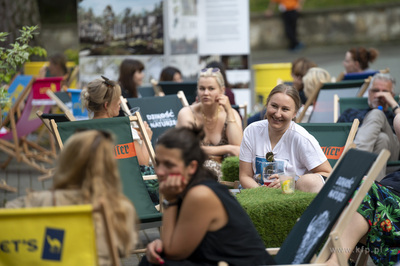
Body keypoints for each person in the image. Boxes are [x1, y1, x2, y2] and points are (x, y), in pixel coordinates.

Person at [139, 127, 275, 265]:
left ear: (192, 167)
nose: (160, 171)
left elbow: (172, 252)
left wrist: (171, 200)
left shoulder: (200, 194)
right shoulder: (192, 187)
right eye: (158, 163)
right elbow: (175, 242)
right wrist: (158, 244)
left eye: (169, 164)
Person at [6, 129, 138, 265]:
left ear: (66, 161)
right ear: (111, 165)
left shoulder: (38, 201)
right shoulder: (121, 209)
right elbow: (125, 249)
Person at [239, 84, 332, 193]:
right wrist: (262, 193)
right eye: (274, 106)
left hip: (291, 198)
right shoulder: (252, 131)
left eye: (285, 109)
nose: (278, 114)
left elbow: (328, 174)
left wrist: (293, 180)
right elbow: (245, 176)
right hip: (258, 196)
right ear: (267, 104)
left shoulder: (302, 138)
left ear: (295, 113)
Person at [176, 67, 243, 180]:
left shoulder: (231, 114)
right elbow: (189, 148)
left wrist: (229, 111)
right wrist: (228, 149)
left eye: (211, 88)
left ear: (222, 91)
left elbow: (238, 147)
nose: (206, 93)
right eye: (202, 88)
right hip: (193, 169)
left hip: (224, 171)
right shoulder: (187, 114)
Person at [326, 171, 400, 266]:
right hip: (382, 194)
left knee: (363, 187)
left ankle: (335, 261)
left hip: (390, 203)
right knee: (352, 184)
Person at [337, 73, 399, 180]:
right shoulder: (351, 112)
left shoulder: (395, 114)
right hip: (376, 157)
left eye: (385, 91)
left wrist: (394, 104)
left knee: (377, 113)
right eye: (375, 90)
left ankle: (354, 165)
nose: (379, 95)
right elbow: (337, 138)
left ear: (392, 95)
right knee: (382, 138)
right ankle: (374, 188)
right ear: (369, 92)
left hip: (392, 155)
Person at [80, 76, 153, 167]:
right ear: (106, 105)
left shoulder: (82, 132)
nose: (120, 101)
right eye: (117, 98)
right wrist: (147, 139)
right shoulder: (125, 130)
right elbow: (143, 164)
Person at [247, 57, 316, 126]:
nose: (300, 80)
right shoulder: (288, 90)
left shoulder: (306, 94)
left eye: (302, 77)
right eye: (297, 76)